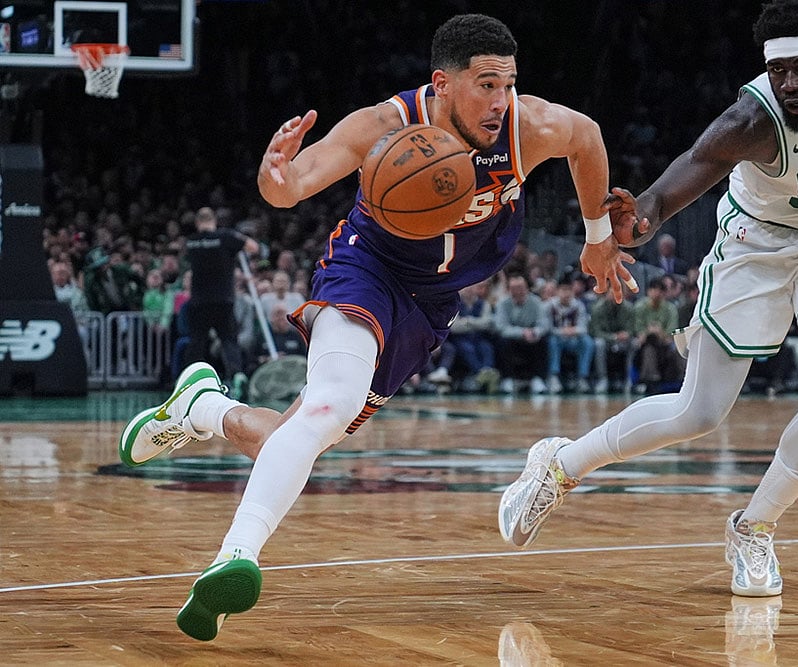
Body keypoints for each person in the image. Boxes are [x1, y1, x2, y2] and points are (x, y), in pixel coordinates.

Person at [117, 13, 637, 641]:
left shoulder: (530, 128)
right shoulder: (385, 126)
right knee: (325, 410)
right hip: (366, 269)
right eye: (485, 85)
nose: (501, 101)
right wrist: (273, 175)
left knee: (299, 436)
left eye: (508, 84)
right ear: (442, 83)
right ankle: (235, 560)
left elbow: (588, 139)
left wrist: (598, 237)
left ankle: (203, 409)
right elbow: (291, 187)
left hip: (431, 303)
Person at [498, 0, 798, 598]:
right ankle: (559, 466)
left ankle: (754, 527)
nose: (789, 85)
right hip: (755, 247)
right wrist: (641, 219)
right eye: (779, 71)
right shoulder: (751, 121)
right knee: (699, 413)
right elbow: (692, 167)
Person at [183, 206, 260, 386]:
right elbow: (253, 248)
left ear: (197, 223)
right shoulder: (225, 237)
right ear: (214, 221)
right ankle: (237, 375)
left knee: (197, 342)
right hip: (223, 299)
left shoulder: (191, 242)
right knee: (228, 340)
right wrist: (235, 237)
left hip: (199, 300)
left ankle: (188, 380)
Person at [494, 273, 552, 394]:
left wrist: (534, 332)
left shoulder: (536, 302)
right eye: (514, 289)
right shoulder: (502, 304)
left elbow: (544, 324)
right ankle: (507, 379)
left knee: (543, 341)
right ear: (509, 290)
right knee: (501, 341)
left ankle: (538, 379)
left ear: (526, 288)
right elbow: (501, 327)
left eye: (521, 288)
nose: (518, 291)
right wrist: (522, 332)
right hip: (512, 338)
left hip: (532, 338)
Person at [544, 275, 596, 393]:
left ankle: (582, 377)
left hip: (574, 339)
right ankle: (554, 376)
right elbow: (547, 327)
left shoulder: (578, 306)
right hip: (557, 339)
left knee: (587, 342)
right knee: (552, 341)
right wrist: (561, 331)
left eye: (568, 290)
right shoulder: (549, 306)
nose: (566, 294)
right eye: (563, 290)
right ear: (557, 291)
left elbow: (583, 327)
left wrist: (573, 331)